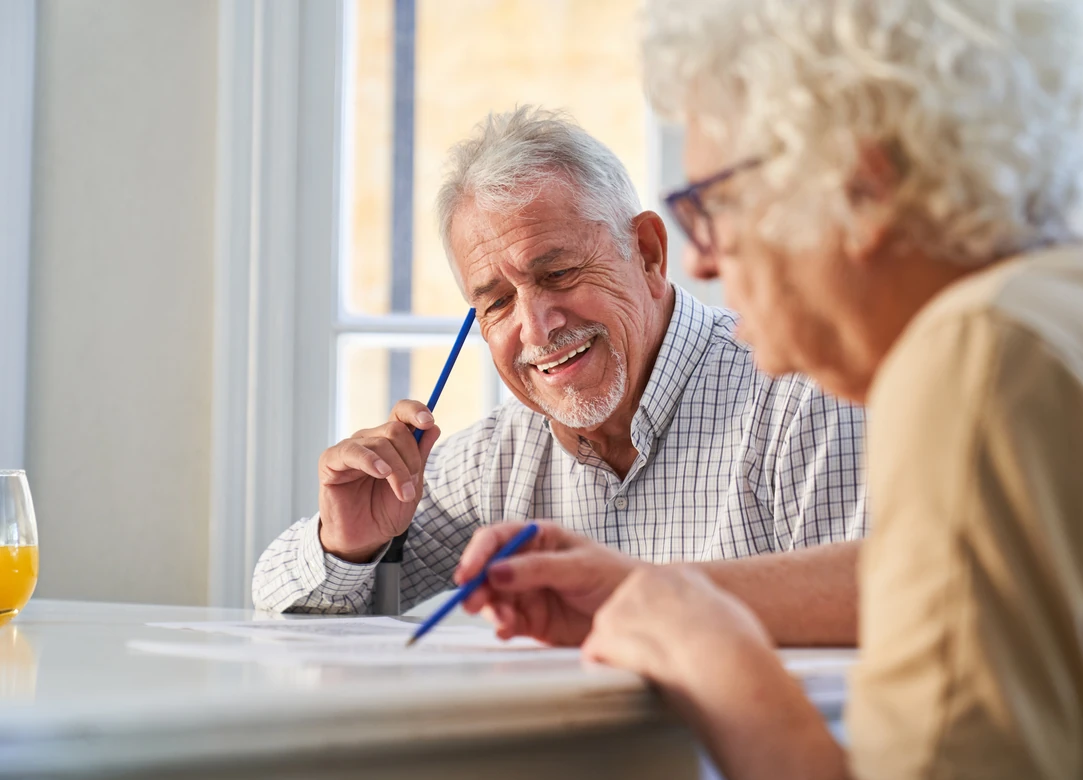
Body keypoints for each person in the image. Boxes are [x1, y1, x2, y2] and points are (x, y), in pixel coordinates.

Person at [458, 1, 1083, 780]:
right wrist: (654, 591)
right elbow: (950, 582)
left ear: (861, 188)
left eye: (716, 206)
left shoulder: (981, 356)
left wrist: (712, 654)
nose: (703, 267)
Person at [252, 106, 866, 643]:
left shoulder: (802, 400)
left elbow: (879, 620)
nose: (538, 328)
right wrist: (347, 544)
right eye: (495, 303)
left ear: (649, 253)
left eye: (558, 274)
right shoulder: (501, 455)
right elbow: (277, 601)